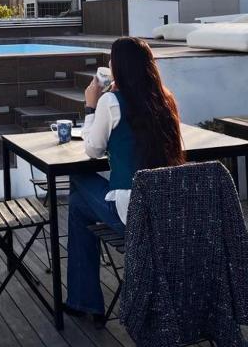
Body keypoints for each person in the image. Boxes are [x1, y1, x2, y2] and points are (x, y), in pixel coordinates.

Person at [64, 36, 185, 326]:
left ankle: (85, 301)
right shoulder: (166, 99)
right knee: (80, 206)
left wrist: (91, 107)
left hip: (134, 216)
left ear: (119, 68)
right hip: (169, 211)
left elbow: (92, 149)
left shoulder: (110, 102)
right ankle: (83, 300)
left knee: (78, 181)